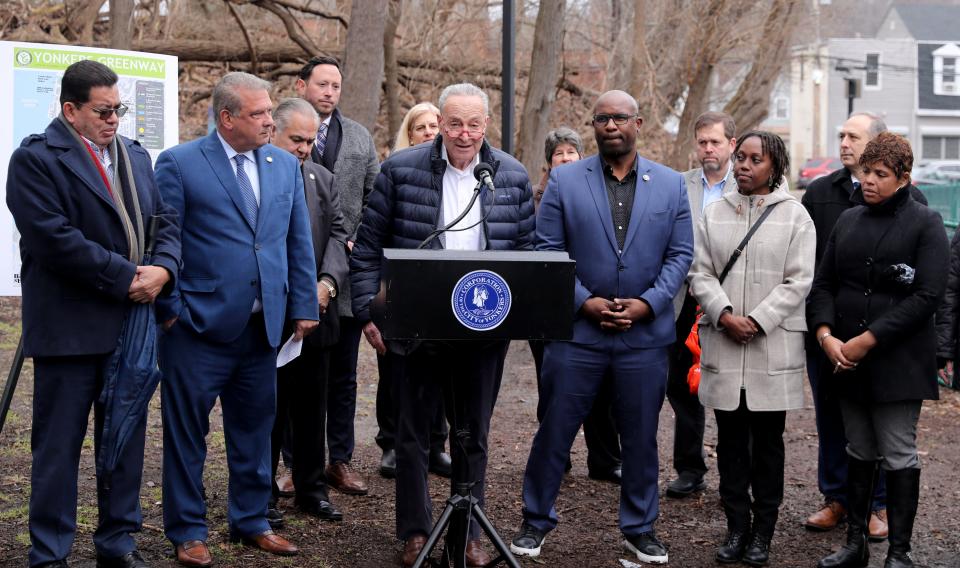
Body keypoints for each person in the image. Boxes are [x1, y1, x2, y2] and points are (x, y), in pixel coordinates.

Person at [350, 82, 535, 567]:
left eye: (474, 124)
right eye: (455, 123)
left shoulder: (510, 176)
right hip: (416, 328)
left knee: (473, 433)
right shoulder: (400, 169)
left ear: (486, 125)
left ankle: (469, 531)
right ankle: (414, 532)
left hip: (483, 328)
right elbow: (367, 247)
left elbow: (531, 255)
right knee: (411, 435)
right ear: (440, 121)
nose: (464, 134)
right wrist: (373, 311)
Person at [7, 59, 180, 568]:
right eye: (103, 111)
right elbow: (52, 238)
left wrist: (165, 269)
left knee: (124, 440)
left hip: (131, 326)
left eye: (118, 109)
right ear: (70, 109)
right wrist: (128, 276)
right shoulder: (36, 159)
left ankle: (117, 542)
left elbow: (164, 220)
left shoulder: (134, 155)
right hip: (69, 327)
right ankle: (50, 552)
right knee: (58, 448)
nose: (113, 120)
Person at [510, 90, 694, 565]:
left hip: (644, 337)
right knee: (554, 431)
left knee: (639, 438)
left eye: (620, 118)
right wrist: (585, 302)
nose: (611, 125)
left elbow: (680, 255)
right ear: (593, 126)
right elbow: (547, 249)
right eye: (602, 118)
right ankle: (535, 521)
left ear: (639, 122)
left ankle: (639, 529)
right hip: (578, 334)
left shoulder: (671, 185)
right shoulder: (566, 181)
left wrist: (649, 305)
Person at [155, 72, 319, 566]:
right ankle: (187, 531)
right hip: (196, 329)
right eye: (259, 114)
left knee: (254, 429)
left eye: (270, 111)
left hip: (261, 329)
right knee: (187, 434)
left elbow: (297, 241)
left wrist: (303, 306)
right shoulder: (180, 164)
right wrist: (171, 312)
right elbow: (167, 240)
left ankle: (251, 519)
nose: (271, 121)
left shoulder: (283, 166)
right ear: (227, 118)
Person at [810, 132, 947, 568]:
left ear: (903, 179)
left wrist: (868, 340)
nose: (869, 180)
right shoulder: (848, 221)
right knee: (858, 448)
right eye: (866, 171)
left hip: (897, 362)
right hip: (845, 358)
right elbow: (824, 284)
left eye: (880, 174)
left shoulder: (926, 222)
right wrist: (826, 336)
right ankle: (855, 546)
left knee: (897, 450)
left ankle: (900, 554)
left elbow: (927, 296)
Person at [688, 131, 815, 566]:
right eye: (739, 156)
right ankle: (736, 528)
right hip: (725, 343)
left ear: (773, 166)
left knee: (768, 446)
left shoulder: (796, 217)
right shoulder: (714, 213)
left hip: (770, 347)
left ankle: (763, 532)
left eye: (753, 159)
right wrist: (724, 314)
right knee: (728, 444)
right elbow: (699, 272)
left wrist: (757, 320)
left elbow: (799, 280)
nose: (742, 165)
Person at [296, 55, 379, 496]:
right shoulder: (283, 130)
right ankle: (293, 461)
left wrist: (357, 243)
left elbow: (375, 197)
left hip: (345, 277)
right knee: (292, 375)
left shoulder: (360, 138)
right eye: (322, 84)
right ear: (302, 85)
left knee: (344, 375)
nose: (329, 92)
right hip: (296, 271)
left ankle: (339, 459)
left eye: (336, 85)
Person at [268, 98, 349, 524]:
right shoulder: (258, 177)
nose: (303, 147)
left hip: (318, 314)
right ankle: (262, 491)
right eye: (295, 139)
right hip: (270, 316)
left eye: (309, 139)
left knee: (312, 406)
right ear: (273, 132)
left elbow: (338, 234)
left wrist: (327, 283)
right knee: (269, 410)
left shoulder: (321, 178)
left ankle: (310, 488)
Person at [529, 126, 624, 483]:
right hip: (549, 307)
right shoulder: (536, 198)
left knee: (601, 388)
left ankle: (605, 458)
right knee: (552, 386)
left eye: (572, 153)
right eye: (559, 155)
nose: (566, 159)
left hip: (593, 301)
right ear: (549, 163)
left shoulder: (599, 191)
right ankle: (556, 456)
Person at [376, 101, 452, 480]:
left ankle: (436, 444)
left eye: (434, 125)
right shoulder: (395, 171)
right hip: (401, 290)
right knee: (394, 371)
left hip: (442, 288)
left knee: (441, 373)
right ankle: (391, 443)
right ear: (408, 132)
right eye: (420, 126)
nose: (428, 132)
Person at [666, 111, 738, 499]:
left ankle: (732, 473)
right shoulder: (679, 185)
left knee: (726, 386)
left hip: (727, 302)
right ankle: (690, 468)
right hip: (682, 300)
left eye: (715, 142)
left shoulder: (746, 187)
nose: (708, 149)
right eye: (702, 142)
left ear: (732, 144)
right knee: (680, 386)